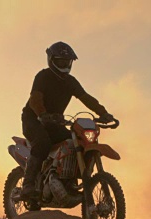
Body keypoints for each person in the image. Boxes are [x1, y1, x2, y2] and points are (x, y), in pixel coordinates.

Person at [20, 41, 115, 199]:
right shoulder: (43, 76)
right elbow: (35, 99)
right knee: (42, 142)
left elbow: (86, 98)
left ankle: (66, 179)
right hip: (34, 119)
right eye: (61, 61)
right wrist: (43, 114)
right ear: (52, 60)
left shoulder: (70, 82)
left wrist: (104, 113)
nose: (64, 64)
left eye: (67, 61)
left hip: (55, 122)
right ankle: (28, 184)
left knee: (74, 141)